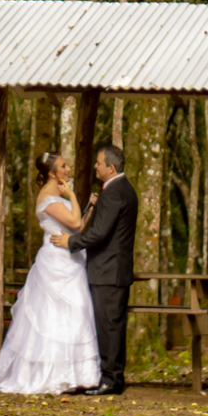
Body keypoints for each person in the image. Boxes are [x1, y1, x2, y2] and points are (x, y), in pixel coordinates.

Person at [0, 152, 100, 397]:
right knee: (51, 317)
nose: (68, 169)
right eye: (63, 166)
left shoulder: (59, 196)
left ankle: (77, 375)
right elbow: (74, 224)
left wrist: (89, 208)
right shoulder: (47, 197)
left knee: (76, 312)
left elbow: (78, 227)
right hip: (56, 261)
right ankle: (51, 373)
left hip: (72, 258)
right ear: (52, 173)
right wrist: (75, 196)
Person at [51, 143, 137, 397]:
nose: (95, 166)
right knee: (113, 324)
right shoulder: (123, 189)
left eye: (99, 163)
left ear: (110, 168)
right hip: (114, 269)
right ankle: (111, 376)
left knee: (109, 325)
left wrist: (71, 242)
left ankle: (111, 380)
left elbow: (99, 233)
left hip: (108, 270)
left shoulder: (114, 192)